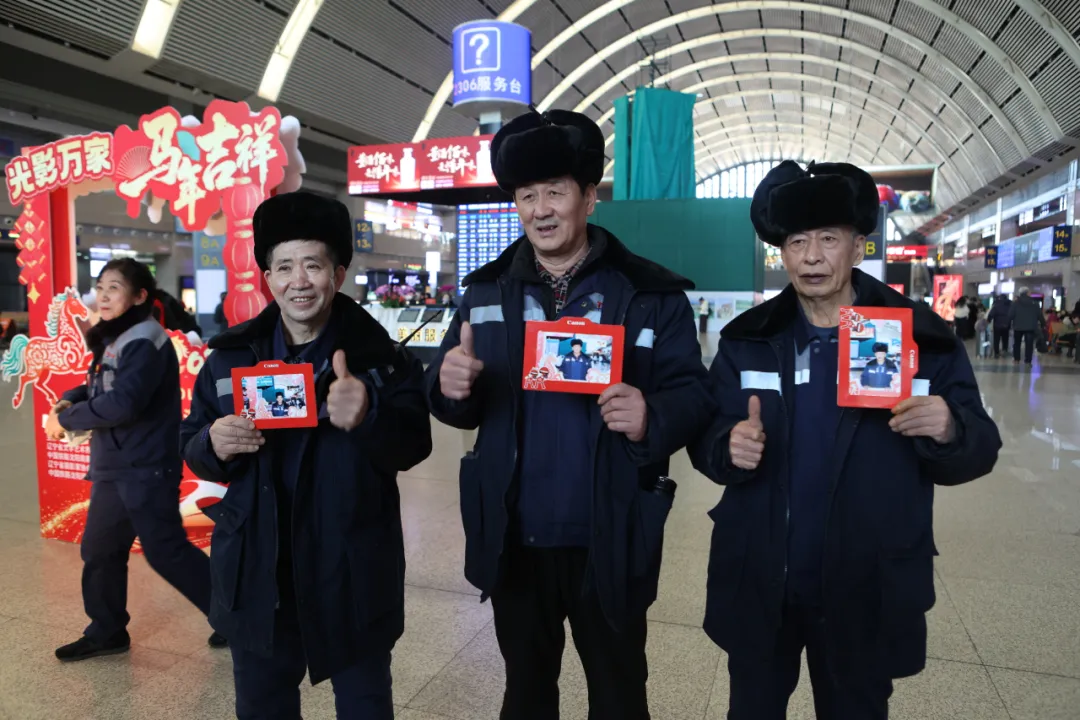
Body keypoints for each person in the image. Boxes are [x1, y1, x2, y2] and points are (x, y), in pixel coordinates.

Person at [426, 109, 715, 719]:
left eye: (555, 191)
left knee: (619, 695)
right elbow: (452, 392)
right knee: (526, 693)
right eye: (526, 195)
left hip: (611, 534)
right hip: (515, 536)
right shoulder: (485, 292)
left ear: (588, 197)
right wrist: (450, 386)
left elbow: (693, 393)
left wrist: (650, 415)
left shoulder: (648, 295)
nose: (540, 209)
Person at [689, 160, 1001, 720]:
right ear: (781, 254)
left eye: (828, 239)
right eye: (797, 242)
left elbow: (981, 446)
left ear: (858, 247)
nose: (812, 256)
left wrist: (950, 428)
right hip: (764, 579)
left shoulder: (921, 337)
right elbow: (705, 434)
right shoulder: (749, 340)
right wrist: (725, 446)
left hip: (866, 584)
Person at [180, 192, 432, 719]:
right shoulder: (230, 358)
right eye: (284, 266)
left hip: (351, 571)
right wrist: (212, 443)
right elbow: (192, 442)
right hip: (258, 573)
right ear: (267, 277)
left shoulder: (381, 361)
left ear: (337, 274)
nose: (299, 280)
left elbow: (414, 445)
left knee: (364, 706)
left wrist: (368, 415)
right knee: (262, 706)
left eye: (313, 265)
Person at [45, 258, 223, 662]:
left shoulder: (144, 339)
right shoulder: (118, 336)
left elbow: (124, 402)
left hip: (145, 467)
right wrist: (71, 398)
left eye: (114, 287)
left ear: (140, 296)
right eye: (100, 287)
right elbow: (100, 385)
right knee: (100, 549)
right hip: (115, 467)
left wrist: (65, 419)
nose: (103, 296)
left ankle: (235, 616)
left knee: (166, 551)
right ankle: (107, 632)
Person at [1008, 288, 1045, 366]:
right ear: (1028, 293)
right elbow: (1039, 315)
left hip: (1018, 326)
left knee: (1017, 343)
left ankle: (1016, 359)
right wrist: (1043, 324)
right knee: (1029, 344)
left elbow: (1011, 315)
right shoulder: (1035, 303)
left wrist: (1008, 323)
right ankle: (1028, 360)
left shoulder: (1016, 303)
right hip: (1030, 327)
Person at [987, 292, 1012, 358]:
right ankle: (1004, 351)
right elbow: (1012, 314)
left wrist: (988, 320)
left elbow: (991, 314)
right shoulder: (1010, 305)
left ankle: (996, 353)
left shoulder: (996, 304)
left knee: (996, 339)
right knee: (1005, 339)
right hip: (1006, 325)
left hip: (997, 325)